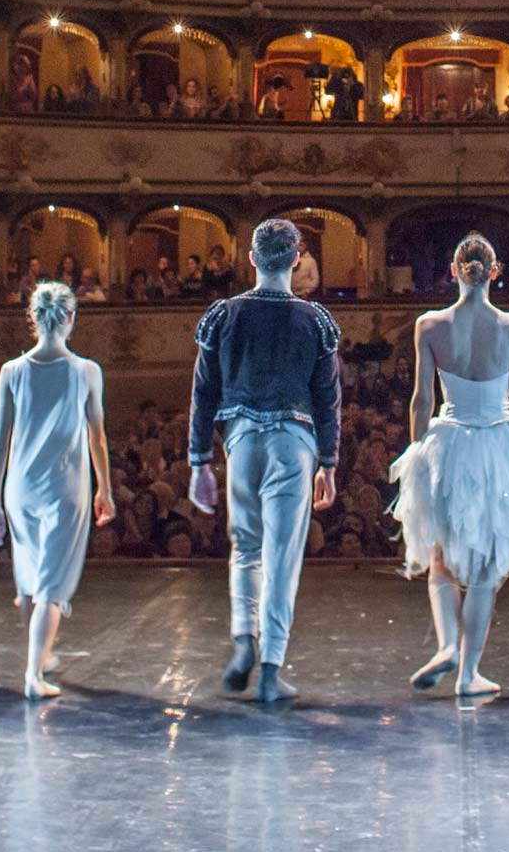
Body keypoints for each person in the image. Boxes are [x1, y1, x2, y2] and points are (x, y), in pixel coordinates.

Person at [386, 234, 509, 697]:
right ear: (496, 272)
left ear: (453, 270)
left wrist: (418, 454)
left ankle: (446, 646)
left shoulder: (429, 325)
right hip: (500, 441)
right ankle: (468, 674)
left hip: (448, 443)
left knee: (440, 559)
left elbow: (421, 399)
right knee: (487, 570)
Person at [187, 220, 344, 702]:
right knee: (282, 558)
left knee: (247, 548)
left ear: (251, 258)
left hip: (242, 440)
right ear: (296, 259)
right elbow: (328, 398)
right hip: (294, 441)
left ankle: (242, 640)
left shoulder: (223, 315)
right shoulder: (315, 320)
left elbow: (203, 392)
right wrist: (329, 462)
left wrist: (198, 461)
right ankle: (272, 669)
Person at [0, 282, 115, 699]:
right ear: (71, 317)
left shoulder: (12, 371)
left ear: (33, 318)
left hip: (19, 487)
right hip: (65, 487)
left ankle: (41, 656)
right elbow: (97, 438)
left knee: (30, 580)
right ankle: (33, 674)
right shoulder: (86, 371)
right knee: (52, 587)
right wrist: (105, 489)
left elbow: (0, 442)